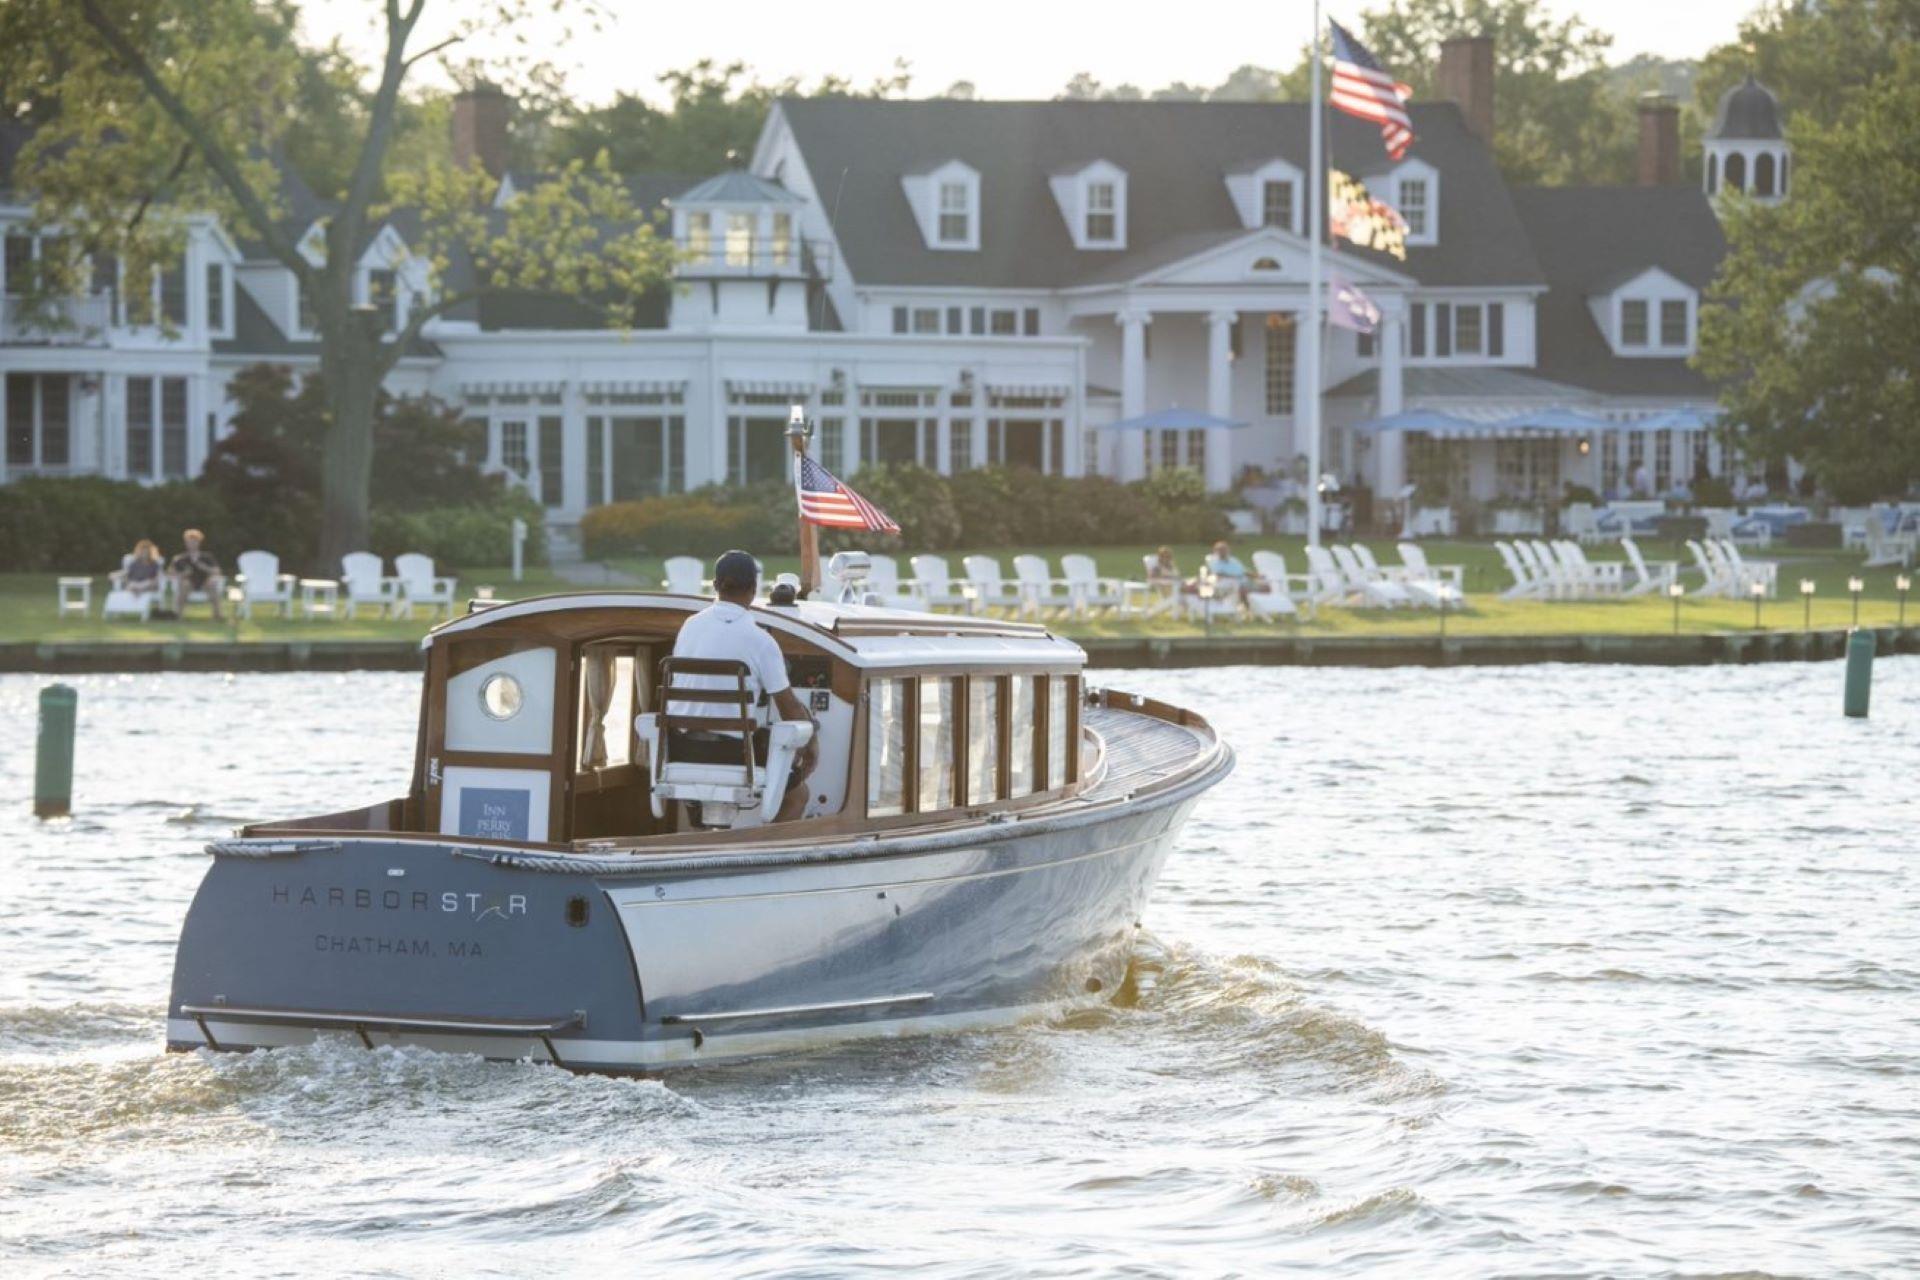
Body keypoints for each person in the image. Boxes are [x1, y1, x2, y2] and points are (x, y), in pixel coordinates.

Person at [668, 550, 817, 822]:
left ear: (715, 585)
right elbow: (788, 708)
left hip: (681, 748)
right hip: (733, 755)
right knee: (798, 794)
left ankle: (702, 841)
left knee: (702, 784)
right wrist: (812, 744)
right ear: (753, 589)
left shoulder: (689, 627)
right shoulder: (760, 640)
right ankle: (765, 856)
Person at [167, 528, 225, 619]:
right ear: (186, 543)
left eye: (194, 542)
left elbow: (217, 571)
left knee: (212, 584)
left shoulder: (207, 557)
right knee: (184, 584)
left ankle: (217, 614)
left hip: (204, 582)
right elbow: (170, 573)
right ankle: (178, 614)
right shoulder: (180, 558)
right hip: (188, 582)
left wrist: (205, 567)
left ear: (199, 542)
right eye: (189, 542)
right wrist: (183, 573)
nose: (192, 544)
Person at [1200, 539, 1249, 603]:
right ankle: (1246, 606)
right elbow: (1219, 574)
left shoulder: (1234, 560)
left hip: (1243, 580)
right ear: (1215, 551)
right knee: (1242, 588)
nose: (1224, 551)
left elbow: (1244, 571)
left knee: (1262, 585)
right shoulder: (1214, 562)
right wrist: (1236, 577)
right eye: (1221, 550)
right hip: (1228, 582)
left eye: (1225, 549)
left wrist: (1258, 576)